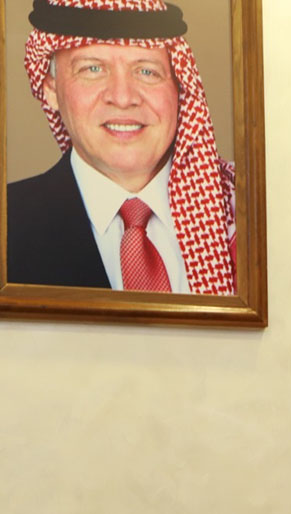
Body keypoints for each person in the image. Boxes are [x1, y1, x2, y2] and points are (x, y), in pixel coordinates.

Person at [6, 0, 236, 295]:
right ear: (50, 89)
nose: (123, 97)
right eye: (92, 69)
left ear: (180, 87)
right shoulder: (9, 224)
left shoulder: (245, 216)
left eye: (147, 72)